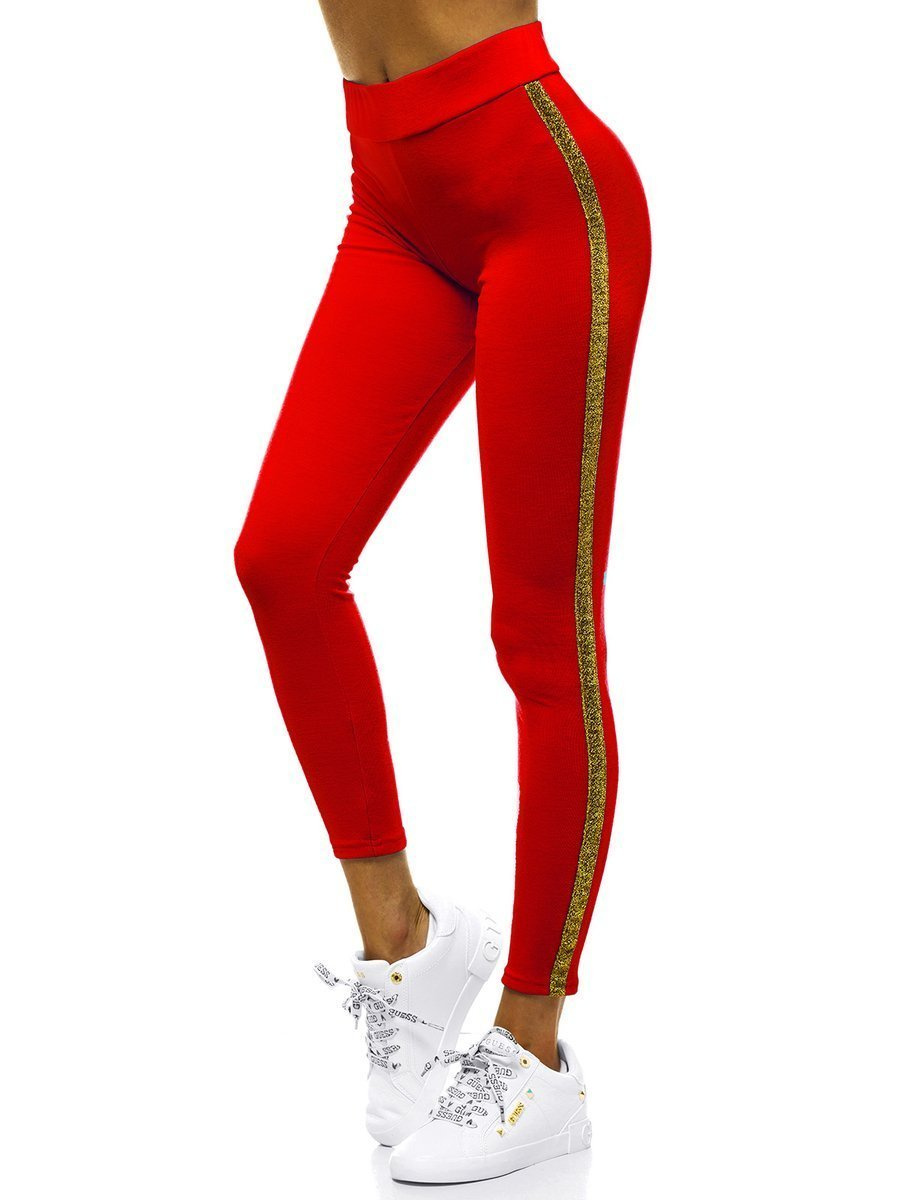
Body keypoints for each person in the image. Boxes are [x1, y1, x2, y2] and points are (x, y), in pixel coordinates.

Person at [234, 2, 650, 1183]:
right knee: (284, 560)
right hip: (391, 191)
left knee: (542, 636)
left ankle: (533, 1051)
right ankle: (407, 944)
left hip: (539, 186)